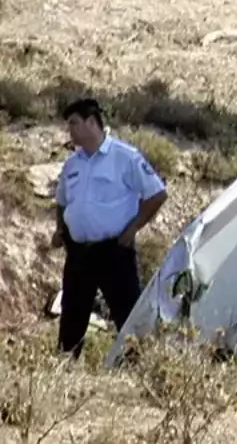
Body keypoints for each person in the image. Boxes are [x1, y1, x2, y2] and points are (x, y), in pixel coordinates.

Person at [52, 98, 168, 358]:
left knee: (126, 312)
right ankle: (64, 368)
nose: (69, 130)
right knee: (73, 312)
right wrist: (60, 229)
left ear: (92, 122)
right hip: (79, 251)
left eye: (74, 123)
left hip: (113, 250)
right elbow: (61, 200)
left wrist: (132, 229)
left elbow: (156, 194)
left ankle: (137, 365)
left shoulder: (125, 157)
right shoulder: (73, 164)